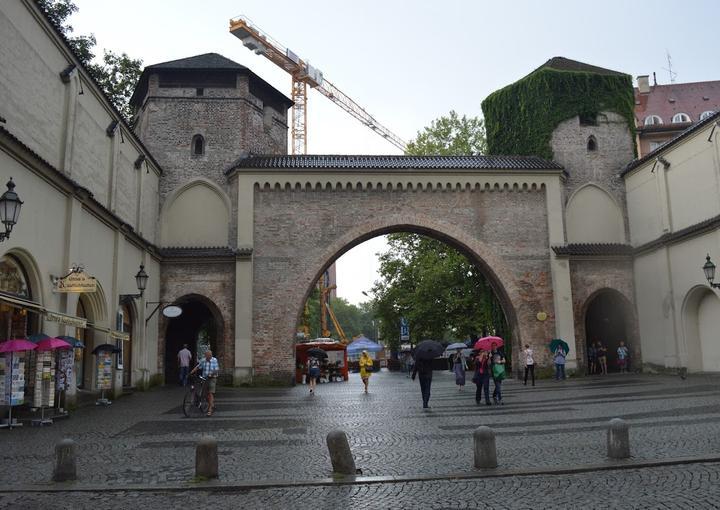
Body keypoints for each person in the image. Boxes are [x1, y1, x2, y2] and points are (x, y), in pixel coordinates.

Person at [190, 350, 219, 416]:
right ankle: (211, 405)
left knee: (210, 393)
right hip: (205, 378)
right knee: (205, 395)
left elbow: (216, 369)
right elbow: (198, 367)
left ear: (211, 355)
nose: (208, 357)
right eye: (207, 356)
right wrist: (191, 372)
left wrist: (211, 374)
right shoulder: (203, 360)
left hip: (212, 378)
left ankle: (210, 410)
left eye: (209, 356)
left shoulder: (214, 360)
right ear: (205, 356)